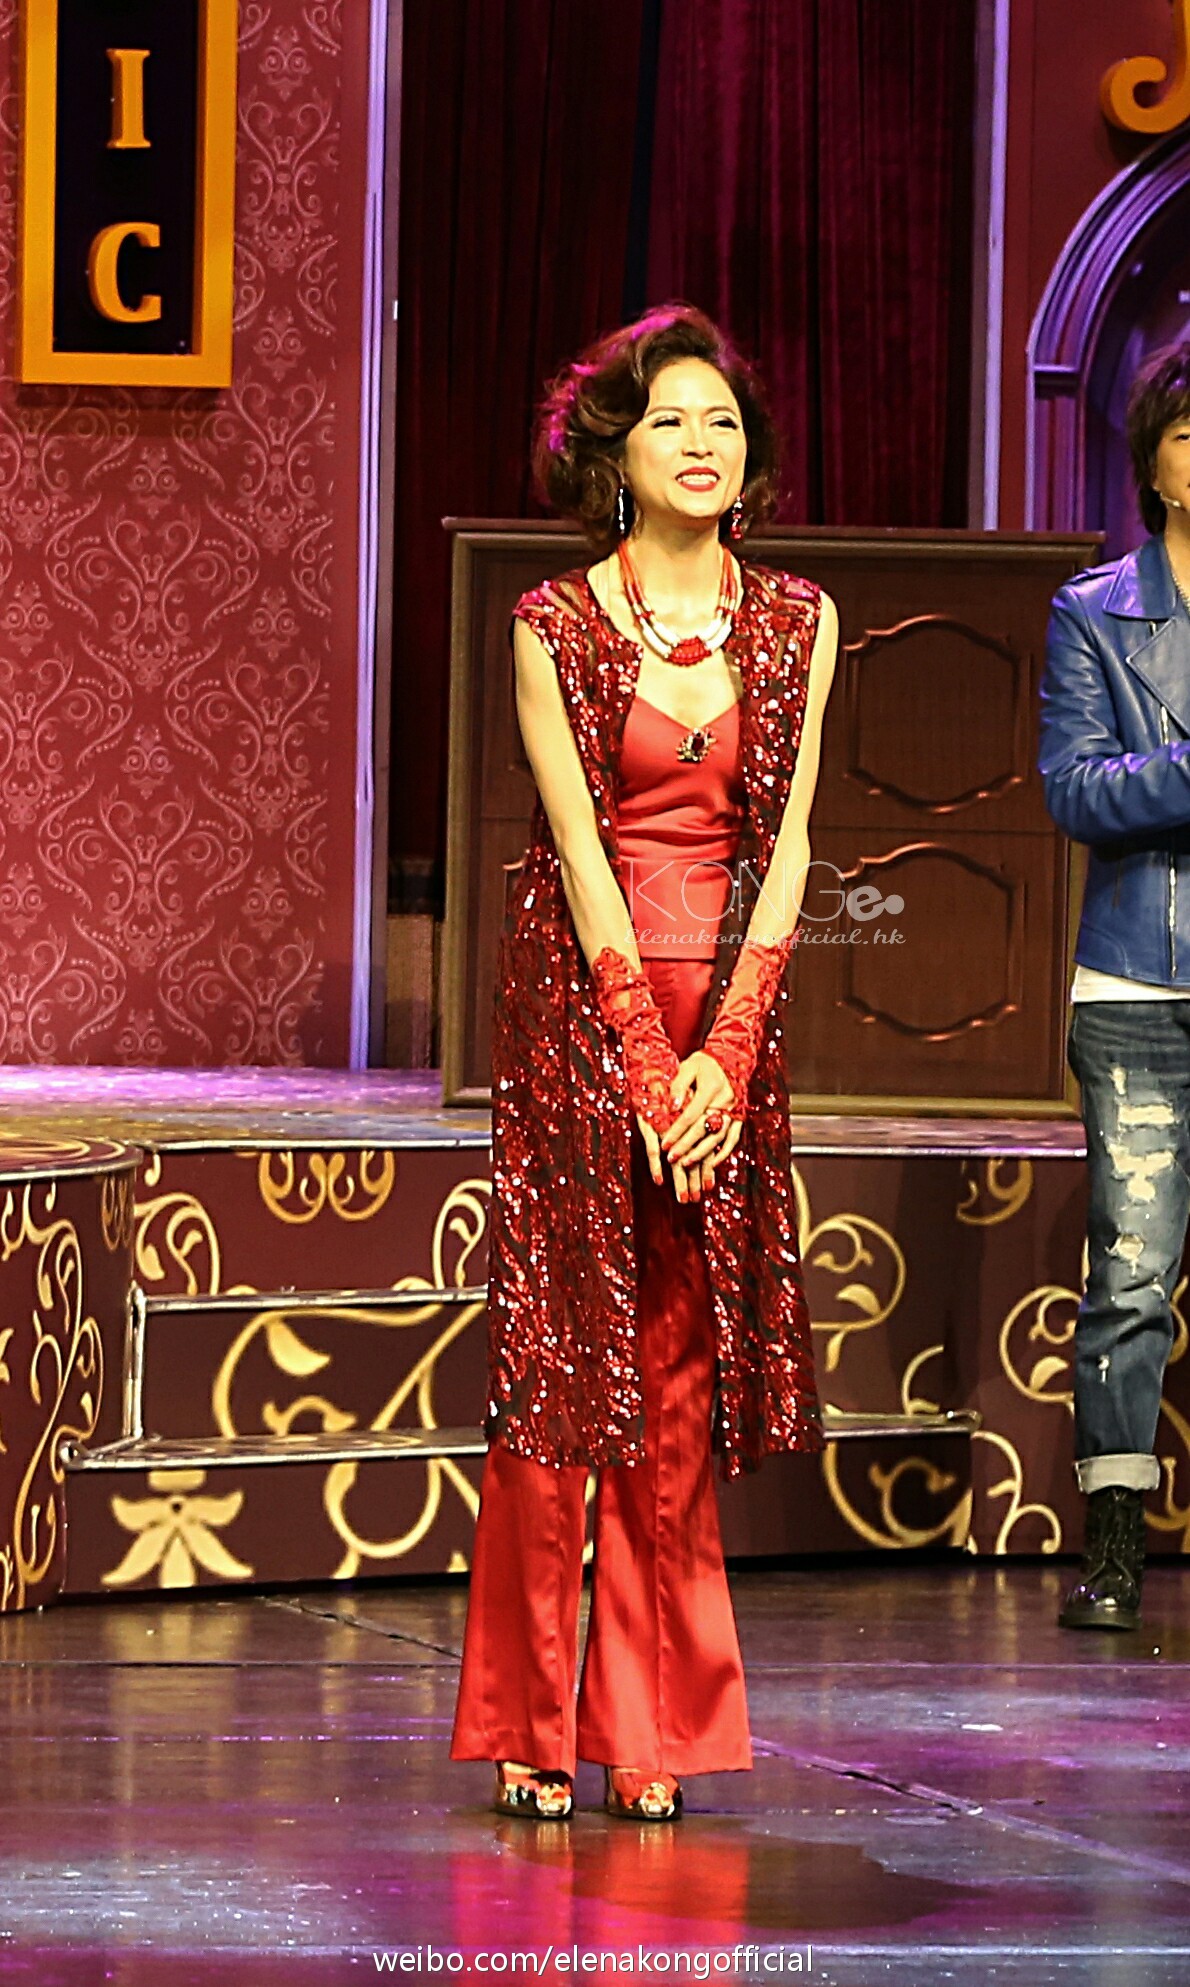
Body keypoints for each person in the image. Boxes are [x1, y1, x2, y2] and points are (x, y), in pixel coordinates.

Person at [450, 304, 838, 1815]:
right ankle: (534, 1719)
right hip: (580, 1014)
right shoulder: (552, 624)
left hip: (725, 1019)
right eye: (669, 419)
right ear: (612, 452)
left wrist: (724, 1054)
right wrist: (636, 1051)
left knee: (676, 1367)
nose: (700, 443)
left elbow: (787, 852)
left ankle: (657, 1726)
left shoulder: (799, 620)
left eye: (722, 421)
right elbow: (577, 850)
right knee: (564, 1362)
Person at [1039, 337, 1190, 1631]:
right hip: (1139, 983)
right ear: (1153, 462)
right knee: (1133, 1273)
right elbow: (1076, 790)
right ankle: (1114, 1552)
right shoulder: (1093, 612)